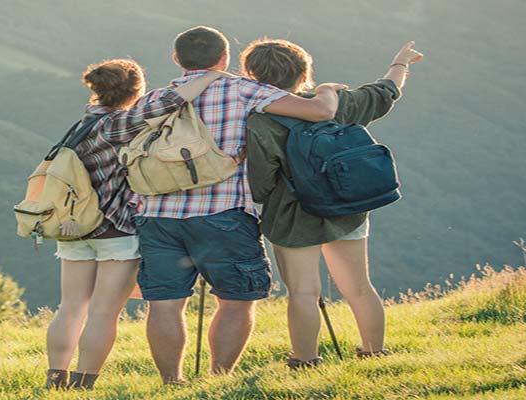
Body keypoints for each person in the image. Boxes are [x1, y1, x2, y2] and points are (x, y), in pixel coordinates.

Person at [134, 26, 344, 385]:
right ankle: (218, 378)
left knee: (165, 302)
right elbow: (321, 112)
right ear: (224, 58)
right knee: (236, 300)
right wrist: (328, 89)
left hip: (157, 216)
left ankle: (172, 382)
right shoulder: (243, 90)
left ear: (177, 59)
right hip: (224, 213)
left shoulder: (153, 100)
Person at [45, 59, 233, 390]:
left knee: (71, 307)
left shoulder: (81, 125)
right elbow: (172, 101)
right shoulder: (118, 124)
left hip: (74, 227)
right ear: (136, 90)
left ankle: (56, 379)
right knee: (103, 311)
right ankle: (82, 385)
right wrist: (213, 74)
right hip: (115, 230)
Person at [242, 39, 423, 368]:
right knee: (359, 287)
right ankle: (374, 352)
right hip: (346, 207)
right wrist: (400, 63)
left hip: (292, 217)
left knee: (303, 293)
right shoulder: (336, 101)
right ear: (304, 73)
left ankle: (305, 360)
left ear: (253, 77)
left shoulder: (259, 121)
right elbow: (385, 92)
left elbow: (261, 181)